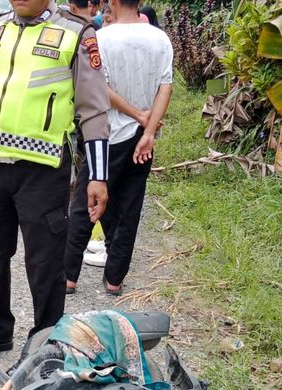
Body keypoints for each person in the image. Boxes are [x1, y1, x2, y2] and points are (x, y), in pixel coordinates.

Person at [0, 0, 111, 372]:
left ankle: (46, 340)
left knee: (45, 262)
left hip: (42, 170)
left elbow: (94, 109)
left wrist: (97, 176)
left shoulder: (76, 34)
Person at [64, 0, 173, 295]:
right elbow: (166, 86)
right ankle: (114, 279)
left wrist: (137, 115)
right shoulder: (159, 38)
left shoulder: (102, 38)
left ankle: (68, 276)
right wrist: (149, 129)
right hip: (142, 139)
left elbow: (98, 89)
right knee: (129, 206)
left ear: (112, 2)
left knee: (84, 203)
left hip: (107, 136)